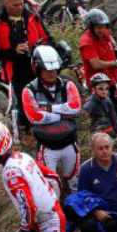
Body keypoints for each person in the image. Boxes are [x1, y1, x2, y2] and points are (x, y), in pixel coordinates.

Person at [0, 0, 52, 128]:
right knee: (24, 104)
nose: (20, 7)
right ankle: (28, 128)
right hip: (15, 71)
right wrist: (14, 51)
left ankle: (45, 125)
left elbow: (49, 39)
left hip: (37, 67)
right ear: (6, 4)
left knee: (43, 99)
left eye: (21, 3)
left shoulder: (33, 17)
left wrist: (37, 48)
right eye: (15, 5)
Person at [22, 44, 81, 187]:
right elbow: (34, 117)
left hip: (70, 142)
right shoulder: (29, 90)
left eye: (54, 69)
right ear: (37, 68)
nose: (51, 73)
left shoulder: (68, 85)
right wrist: (62, 115)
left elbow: (75, 108)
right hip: (46, 146)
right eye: (46, 69)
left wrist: (48, 108)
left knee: (75, 184)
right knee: (51, 187)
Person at [79, 9, 117, 132]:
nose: (102, 30)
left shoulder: (104, 33)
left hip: (112, 79)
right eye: (98, 27)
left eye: (103, 26)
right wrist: (114, 63)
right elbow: (95, 64)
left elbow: (112, 42)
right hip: (99, 83)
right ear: (91, 27)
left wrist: (116, 49)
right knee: (104, 114)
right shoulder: (86, 42)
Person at [83, 73, 117, 139]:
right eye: (101, 88)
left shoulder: (107, 100)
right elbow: (85, 126)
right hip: (98, 136)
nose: (104, 91)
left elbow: (114, 118)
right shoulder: (89, 105)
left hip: (110, 131)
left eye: (107, 88)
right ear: (93, 89)